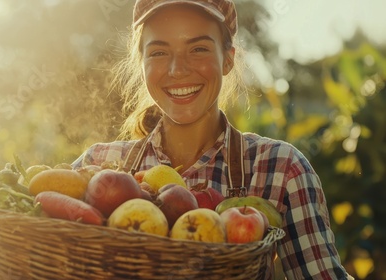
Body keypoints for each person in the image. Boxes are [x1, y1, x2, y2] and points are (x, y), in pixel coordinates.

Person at [72, 0, 353, 279]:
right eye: (159, 52)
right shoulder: (99, 166)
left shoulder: (281, 169)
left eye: (198, 49)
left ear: (228, 59)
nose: (177, 69)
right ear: (141, 62)